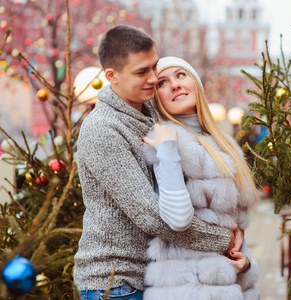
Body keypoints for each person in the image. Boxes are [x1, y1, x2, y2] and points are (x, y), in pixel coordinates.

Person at [74, 25, 241, 300]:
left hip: (154, 277)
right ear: (111, 76)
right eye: (142, 72)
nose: (153, 78)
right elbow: (151, 216)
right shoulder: (102, 129)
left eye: (154, 66)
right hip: (116, 282)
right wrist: (224, 239)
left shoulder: (150, 109)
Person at [141, 57, 260, 299]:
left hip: (228, 286)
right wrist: (168, 151)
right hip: (184, 289)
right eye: (163, 82)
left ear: (196, 83)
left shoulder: (225, 145)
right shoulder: (163, 141)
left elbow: (235, 227)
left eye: (181, 75)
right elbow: (177, 219)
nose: (174, 85)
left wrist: (245, 264)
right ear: (156, 98)